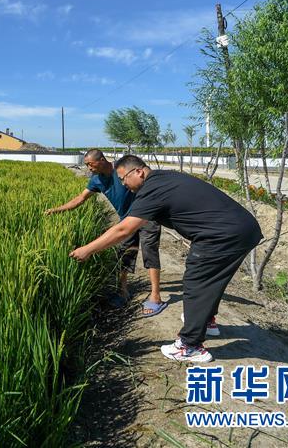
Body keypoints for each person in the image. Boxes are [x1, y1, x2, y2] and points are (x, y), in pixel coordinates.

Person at [69, 155, 262, 362]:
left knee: (196, 282)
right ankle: (207, 322)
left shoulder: (151, 190)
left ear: (139, 172)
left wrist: (87, 250)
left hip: (221, 235)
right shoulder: (162, 179)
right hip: (243, 229)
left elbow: (124, 229)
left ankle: (189, 345)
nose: (123, 184)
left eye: (123, 179)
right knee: (211, 281)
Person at [45, 149, 165, 316]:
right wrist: (57, 210)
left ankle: (155, 295)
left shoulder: (122, 170)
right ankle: (123, 292)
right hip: (126, 220)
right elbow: (80, 198)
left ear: (102, 160)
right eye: (86, 165)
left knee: (149, 251)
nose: (89, 168)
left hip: (147, 216)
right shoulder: (96, 180)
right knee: (124, 253)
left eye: (90, 164)